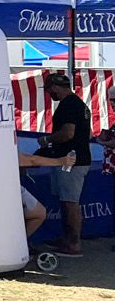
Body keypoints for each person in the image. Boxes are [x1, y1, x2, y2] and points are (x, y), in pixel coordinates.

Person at [36, 70, 91, 256]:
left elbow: (68, 133)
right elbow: (87, 133)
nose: (49, 94)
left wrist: (47, 140)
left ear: (56, 87)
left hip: (71, 162)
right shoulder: (79, 104)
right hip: (74, 159)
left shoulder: (68, 105)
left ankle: (74, 244)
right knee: (66, 201)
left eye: (49, 89)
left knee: (70, 203)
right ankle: (68, 238)